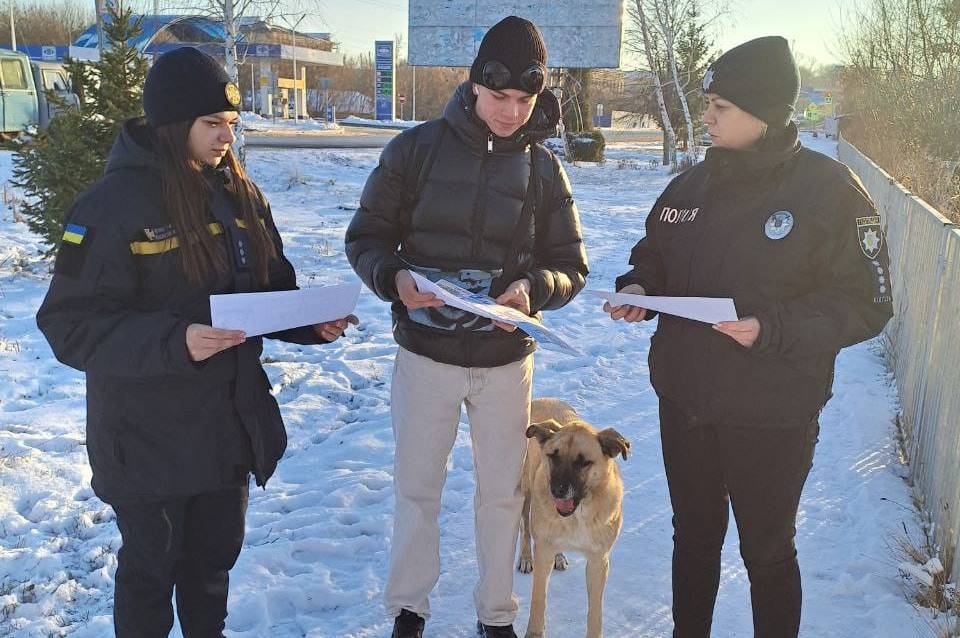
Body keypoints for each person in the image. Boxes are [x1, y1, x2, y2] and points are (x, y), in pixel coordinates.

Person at [36, 47, 357, 637]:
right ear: (171, 124)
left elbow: (266, 291)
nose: (225, 139)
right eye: (212, 124)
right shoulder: (111, 206)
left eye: (232, 125)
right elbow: (68, 324)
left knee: (212, 570)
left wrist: (309, 322)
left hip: (224, 429)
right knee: (150, 575)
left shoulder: (239, 196)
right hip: (145, 439)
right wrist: (175, 339)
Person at [606, 36, 894, 637]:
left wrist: (772, 328)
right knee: (694, 542)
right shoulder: (690, 187)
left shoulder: (830, 192)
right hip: (686, 403)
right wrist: (639, 286)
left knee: (766, 552)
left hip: (773, 412)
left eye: (721, 106)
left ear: (762, 112)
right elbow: (655, 251)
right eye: (707, 103)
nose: (706, 116)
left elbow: (868, 302)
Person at [345, 16, 588, 638]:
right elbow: (367, 238)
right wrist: (394, 281)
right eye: (498, 96)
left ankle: (496, 614)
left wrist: (531, 291)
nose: (510, 112)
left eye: (524, 100)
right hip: (426, 354)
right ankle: (408, 609)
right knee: (418, 489)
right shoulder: (415, 150)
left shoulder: (543, 171)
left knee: (504, 495)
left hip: (505, 363)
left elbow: (571, 267)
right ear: (473, 85)